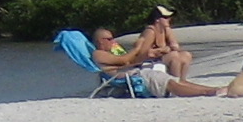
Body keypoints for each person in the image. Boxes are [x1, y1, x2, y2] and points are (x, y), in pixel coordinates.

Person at [92, 27, 228, 97]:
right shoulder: (98, 54)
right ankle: (206, 92)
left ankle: (212, 90)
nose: (113, 41)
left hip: (136, 71)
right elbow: (125, 60)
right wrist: (138, 47)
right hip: (133, 76)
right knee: (169, 83)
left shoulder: (109, 52)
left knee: (174, 80)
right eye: (109, 39)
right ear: (100, 41)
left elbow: (128, 61)